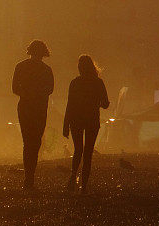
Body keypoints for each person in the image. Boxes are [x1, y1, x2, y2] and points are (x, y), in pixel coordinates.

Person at [63, 54, 109, 193]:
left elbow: (69, 105)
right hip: (92, 120)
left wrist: (65, 125)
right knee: (88, 153)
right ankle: (84, 186)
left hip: (76, 120)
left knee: (78, 150)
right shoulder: (98, 82)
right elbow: (105, 104)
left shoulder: (75, 83)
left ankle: (72, 176)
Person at [12, 40, 54, 190]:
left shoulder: (20, 67)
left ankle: (28, 178)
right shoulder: (46, 70)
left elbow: (15, 88)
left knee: (27, 142)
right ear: (43, 53)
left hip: (24, 108)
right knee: (35, 142)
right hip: (40, 109)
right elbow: (50, 89)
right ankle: (30, 176)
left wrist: (27, 95)